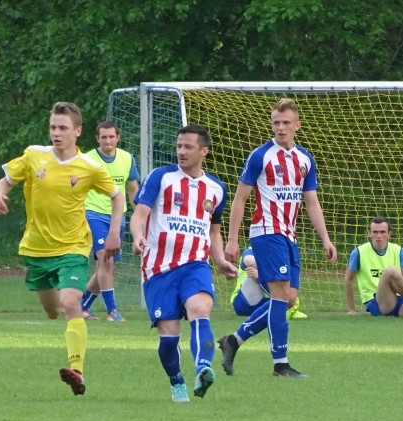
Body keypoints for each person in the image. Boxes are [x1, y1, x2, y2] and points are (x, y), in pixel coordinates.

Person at [0, 102, 125, 396]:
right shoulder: (33, 155)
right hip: (36, 249)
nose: (56, 133)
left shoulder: (90, 168)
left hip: (73, 247)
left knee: (71, 303)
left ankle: (77, 370)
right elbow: (6, 180)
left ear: (77, 131)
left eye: (63, 128)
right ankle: (65, 329)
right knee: (53, 311)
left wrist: (115, 232)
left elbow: (117, 196)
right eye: (53, 127)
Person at [221, 98, 337, 378]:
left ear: (297, 125)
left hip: (289, 235)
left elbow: (311, 202)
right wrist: (232, 239)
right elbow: (240, 198)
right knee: (280, 294)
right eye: (276, 123)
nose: (281, 127)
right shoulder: (260, 156)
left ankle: (234, 340)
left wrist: (326, 238)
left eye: (286, 123)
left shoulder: (305, 159)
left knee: (289, 299)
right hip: (266, 231)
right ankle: (281, 365)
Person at [130, 124, 238, 402]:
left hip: (195, 264)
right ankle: (176, 381)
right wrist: (138, 235)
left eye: (188, 146)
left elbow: (213, 231)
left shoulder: (216, 189)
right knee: (169, 338)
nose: (181, 151)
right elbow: (139, 214)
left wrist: (219, 259)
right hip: (158, 269)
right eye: (179, 146)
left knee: (200, 310)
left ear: (204, 151)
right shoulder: (160, 177)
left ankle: (203, 368)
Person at [80, 121, 140, 322]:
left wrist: (141, 217)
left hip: (117, 217)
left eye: (111, 137)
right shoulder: (87, 160)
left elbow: (132, 189)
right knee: (105, 260)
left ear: (118, 138)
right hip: (92, 213)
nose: (107, 141)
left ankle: (82, 306)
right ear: (97, 138)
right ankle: (112, 311)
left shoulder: (127, 158)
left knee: (104, 265)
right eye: (103, 137)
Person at [229, 247, 308, 319]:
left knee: (283, 273)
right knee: (254, 270)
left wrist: (262, 275)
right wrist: (261, 275)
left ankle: (287, 307)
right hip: (243, 302)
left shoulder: (283, 257)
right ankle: (286, 307)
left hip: (265, 302)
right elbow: (249, 261)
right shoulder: (253, 250)